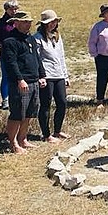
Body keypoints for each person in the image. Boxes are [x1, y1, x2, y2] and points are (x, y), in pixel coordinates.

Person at [1, 11, 46, 153]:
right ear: (17, 23)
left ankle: (23, 139)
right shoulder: (10, 41)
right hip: (21, 82)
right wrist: (20, 79)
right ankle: (13, 143)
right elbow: (11, 63)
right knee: (17, 113)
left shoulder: (30, 39)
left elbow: (37, 58)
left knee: (29, 113)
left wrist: (42, 75)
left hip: (34, 81)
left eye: (30, 22)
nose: (28, 25)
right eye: (25, 22)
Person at [34, 9, 70, 144]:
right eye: (49, 22)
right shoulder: (37, 38)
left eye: (54, 21)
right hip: (47, 75)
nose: (52, 24)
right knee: (46, 104)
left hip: (59, 74)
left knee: (62, 103)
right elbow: (37, 59)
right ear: (44, 24)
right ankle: (46, 134)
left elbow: (61, 56)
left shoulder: (57, 36)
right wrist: (40, 76)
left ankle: (57, 130)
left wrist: (65, 76)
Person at [0, 0, 21, 110]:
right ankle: (5, 99)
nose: (14, 11)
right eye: (12, 9)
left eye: (16, 8)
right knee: (6, 77)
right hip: (6, 54)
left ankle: (17, 97)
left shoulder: (20, 20)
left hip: (19, 53)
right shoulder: (0, 23)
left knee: (19, 75)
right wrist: (2, 48)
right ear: (6, 9)